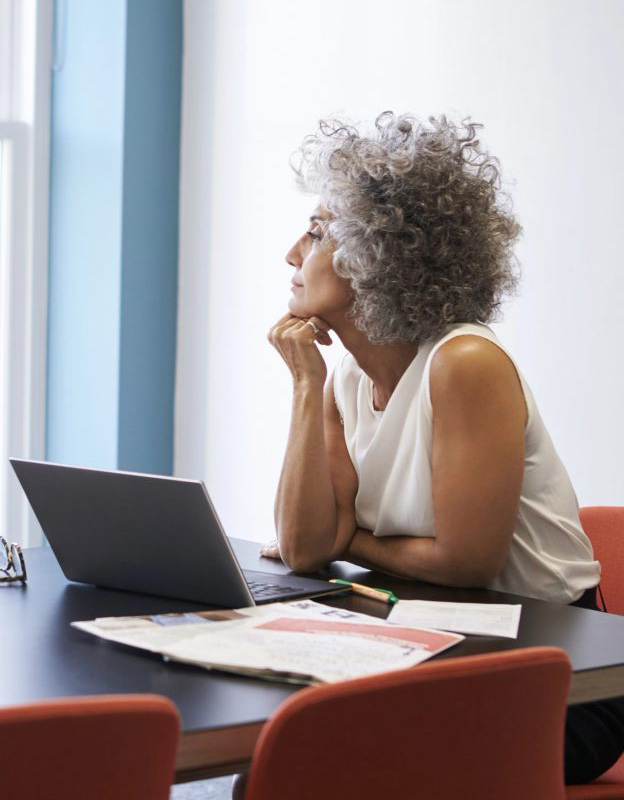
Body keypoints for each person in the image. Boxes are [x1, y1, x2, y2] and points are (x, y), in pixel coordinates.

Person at [253, 111, 624, 788]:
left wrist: (352, 538)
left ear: (379, 251)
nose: (291, 254)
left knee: (313, 769)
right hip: (435, 645)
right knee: (284, 764)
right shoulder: (343, 376)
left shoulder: (465, 364)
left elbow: (464, 562)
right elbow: (307, 547)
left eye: (315, 232)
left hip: (559, 680)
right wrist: (306, 382)